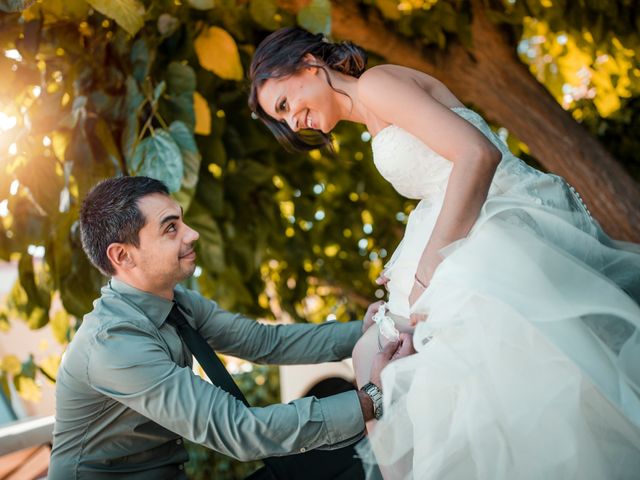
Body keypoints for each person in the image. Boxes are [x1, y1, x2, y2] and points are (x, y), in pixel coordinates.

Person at [248, 27, 640, 479]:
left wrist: (426, 270)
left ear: (308, 65)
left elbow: (476, 155)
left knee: (450, 374)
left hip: (499, 221)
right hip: (471, 223)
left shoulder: (376, 84)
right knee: (372, 356)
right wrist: (407, 265)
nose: (293, 123)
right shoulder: (374, 108)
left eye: (283, 105)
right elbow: (439, 189)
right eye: (281, 121)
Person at [48, 175, 415, 479]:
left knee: (359, 458)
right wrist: (370, 399)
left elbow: (264, 342)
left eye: (182, 221)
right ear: (122, 255)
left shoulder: (176, 302)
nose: (191, 234)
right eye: (171, 229)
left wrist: (368, 329)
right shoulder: (112, 345)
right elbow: (237, 430)